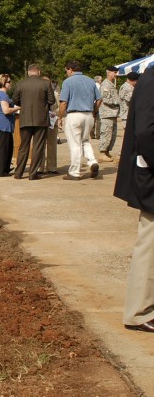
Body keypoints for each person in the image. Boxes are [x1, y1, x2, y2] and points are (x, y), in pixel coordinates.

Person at [113, 66, 154, 333]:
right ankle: (139, 312)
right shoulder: (151, 80)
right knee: (150, 241)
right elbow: (146, 133)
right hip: (151, 173)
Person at [57, 60, 101, 180]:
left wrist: (60, 117)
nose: (66, 73)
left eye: (66, 70)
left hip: (74, 114)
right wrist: (93, 111)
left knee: (75, 144)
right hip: (88, 115)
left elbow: (63, 102)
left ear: (70, 69)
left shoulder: (68, 82)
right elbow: (99, 99)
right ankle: (92, 161)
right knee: (85, 141)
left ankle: (74, 171)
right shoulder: (91, 81)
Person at [12, 64, 55, 180]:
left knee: (23, 146)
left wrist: (24, 105)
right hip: (41, 119)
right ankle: (33, 173)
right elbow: (52, 100)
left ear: (28, 72)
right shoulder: (46, 83)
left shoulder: (21, 84)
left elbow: (14, 99)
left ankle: (18, 172)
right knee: (38, 146)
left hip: (25, 118)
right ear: (39, 72)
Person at [0, 74, 20, 177]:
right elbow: (6, 110)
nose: (10, 83)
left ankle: (5, 168)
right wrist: (18, 108)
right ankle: (1, 171)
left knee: (8, 147)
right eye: (9, 82)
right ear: (3, 83)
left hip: (2, 123)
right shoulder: (3, 95)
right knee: (4, 148)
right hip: (3, 124)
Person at [98, 65, 120, 162]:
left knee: (112, 134)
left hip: (112, 113)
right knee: (106, 133)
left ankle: (107, 152)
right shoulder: (106, 85)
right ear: (108, 72)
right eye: (114, 72)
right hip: (107, 113)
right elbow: (105, 99)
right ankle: (102, 153)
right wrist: (118, 102)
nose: (116, 74)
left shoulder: (111, 84)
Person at [38, 76, 59, 174]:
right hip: (40, 122)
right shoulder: (37, 93)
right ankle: (39, 167)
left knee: (52, 145)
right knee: (40, 145)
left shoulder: (55, 93)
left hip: (52, 122)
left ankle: (52, 167)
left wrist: (55, 113)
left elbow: (61, 106)